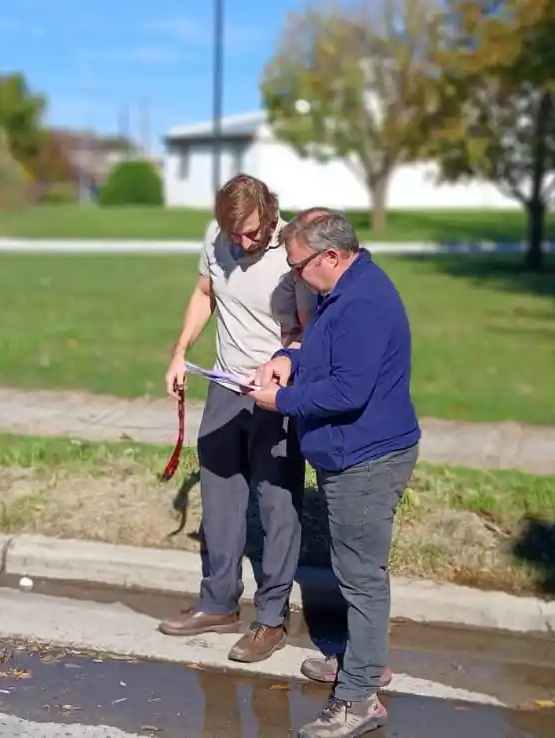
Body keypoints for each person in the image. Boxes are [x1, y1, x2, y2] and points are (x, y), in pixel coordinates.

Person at [250, 211, 421, 738]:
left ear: (330, 255)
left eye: (298, 265)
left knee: (361, 577)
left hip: (366, 457)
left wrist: (281, 400)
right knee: (355, 569)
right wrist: (287, 360)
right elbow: (324, 356)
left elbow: (348, 391)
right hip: (352, 451)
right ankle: (363, 663)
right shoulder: (342, 290)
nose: (295, 275)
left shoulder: (362, 303)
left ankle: (359, 698)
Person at [159, 174, 316, 664]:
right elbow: (204, 293)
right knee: (220, 498)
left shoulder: (293, 252)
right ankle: (218, 602)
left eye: (251, 233)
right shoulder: (217, 237)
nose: (243, 244)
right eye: (234, 235)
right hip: (224, 387)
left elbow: (309, 330)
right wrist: (180, 353)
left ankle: (271, 619)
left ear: (269, 213)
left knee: (276, 505)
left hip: (275, 393)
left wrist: (281, 369)